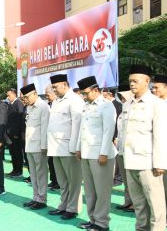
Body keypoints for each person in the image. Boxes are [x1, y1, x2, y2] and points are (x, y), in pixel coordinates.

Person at [122, 65, 167, 231]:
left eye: (136, 80)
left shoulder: (157, 104)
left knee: (156, 205)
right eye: (130, 81)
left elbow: (161, 135)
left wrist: (160, 163)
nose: (132, 84)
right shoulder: (127, 105)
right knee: (139, 205)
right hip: (130, 161)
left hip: (149, 164)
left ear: (147, 82)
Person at [76, 76, 117, 231]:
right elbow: (83, 130)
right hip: (87, 153)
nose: (84, 96)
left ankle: (102, 223)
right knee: (90, 190)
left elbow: (108, 131)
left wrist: (104, 153)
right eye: (82, 94)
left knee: (102, 191)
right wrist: (79, 148)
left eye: (86, 93)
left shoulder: (106, 106)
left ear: (95, 90)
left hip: (101, 154)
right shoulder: (87, 106)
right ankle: (92, 219)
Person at [47, 74, 84, 220]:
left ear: (64, 84)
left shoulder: (75, 100)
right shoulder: (57, 101)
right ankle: (63, 205)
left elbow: (77, 124)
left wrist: (75, 147)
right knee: (62, 181)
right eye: (53, 87)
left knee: (73, 181)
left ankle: (73, 208)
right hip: (55, 147)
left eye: (55, 87)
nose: (54, 90)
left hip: (69, 147)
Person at [21, 83, 50, 210]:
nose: (25, 100)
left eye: (27, 97)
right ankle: (35, 197)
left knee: (41, 173)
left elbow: (45, 128)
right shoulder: (29, 107)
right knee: (33, 173)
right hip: (29, 145)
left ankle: (42, 199)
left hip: (39, 146)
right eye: (24, 98)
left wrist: (44, 146)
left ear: (35, 94)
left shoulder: (43, 107)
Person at [152, 74, 167, 226]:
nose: (154, 90)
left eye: (157, 87)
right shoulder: (153, 104)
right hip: (156, 152)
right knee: (160, 187)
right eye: (153, 88)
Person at [114, 89, 134, 213]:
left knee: (132, 181)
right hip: (120, 150)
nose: (122, 100)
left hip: (131, 151)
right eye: (121, 98)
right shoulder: (121, 113)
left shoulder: (133, 112)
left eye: (125, 98)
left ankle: (134, 203)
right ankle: (127, 201)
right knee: (126, 180)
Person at [5, 88, 24, 177]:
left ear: (14, 94)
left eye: (9, 95)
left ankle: (19, 171)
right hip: (10, 133)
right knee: (13, 153)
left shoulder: (18, 103)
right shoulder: (10, 104)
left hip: (16, 134)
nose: (7, 97)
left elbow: (20, 119)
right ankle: (14, 169)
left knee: (17, 153)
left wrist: (17, 133)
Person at [44, 84, 60, 190]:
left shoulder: (58, 104)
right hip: (49, 139)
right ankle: (54, 180)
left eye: (48, 94)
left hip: (58, 140)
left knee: (57, 164)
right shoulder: (48, 104)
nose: (46, 97)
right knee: (51, 162)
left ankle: (58, 182)